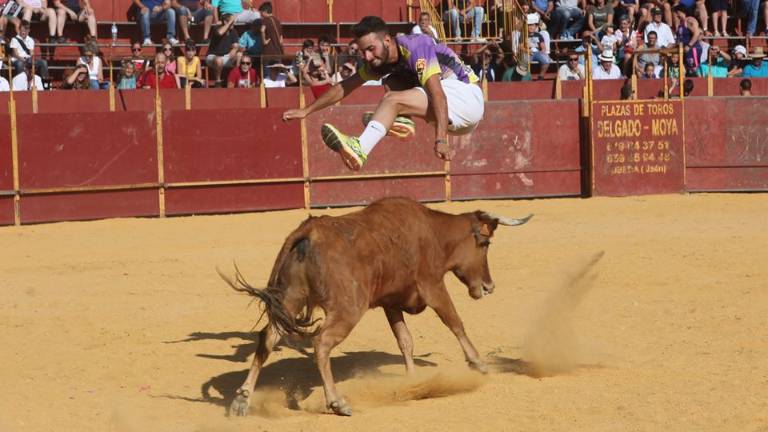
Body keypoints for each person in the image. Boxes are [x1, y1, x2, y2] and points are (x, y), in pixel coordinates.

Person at [282, 16, 484, 171]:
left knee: (392, 99)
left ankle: (360, 147)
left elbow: (438, 93)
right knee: (391, 81)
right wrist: (306, 111)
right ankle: (402, 121)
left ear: (387, 40)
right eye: (363, 52)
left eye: (371, 49)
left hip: (465, 98)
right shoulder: (380, 60)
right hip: (452, 115)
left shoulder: (416, 46)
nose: (367, 56)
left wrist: (440, 140)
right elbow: (344, 87)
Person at [205, 16, 239, 85]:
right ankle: (218, 81)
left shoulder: (233, 31)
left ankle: (236, 79)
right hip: (213, 56)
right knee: (219, 60)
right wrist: (229, 22)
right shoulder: (216, 28)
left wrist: (235, 49)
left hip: (226, 56)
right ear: (225, 22)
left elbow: (236, 45)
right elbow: (220, 33)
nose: (233, 24)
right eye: (232, 22)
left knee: (239, 56)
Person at [527, 13, 551, 80]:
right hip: (527, 53)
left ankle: (541, 76)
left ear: (535, 27)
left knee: (546, 61)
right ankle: (526, 77)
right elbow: (520, 46)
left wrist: (542, 52)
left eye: (533, 25)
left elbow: (543, 46)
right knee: (523, 62)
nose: (531, 27)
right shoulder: (524, 35)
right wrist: (527, 51)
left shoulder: (538, 35)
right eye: (529, 25)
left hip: (537, 53)